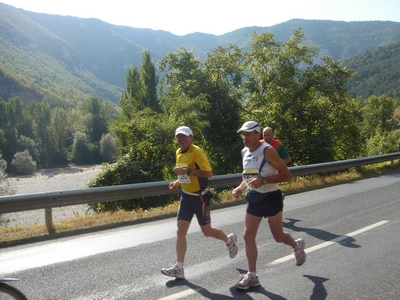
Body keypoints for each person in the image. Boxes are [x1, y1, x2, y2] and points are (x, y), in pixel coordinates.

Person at [232, 121, 306, 290]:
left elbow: (287, 175)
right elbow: (248, 176)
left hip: (271, 197)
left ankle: (297, 246)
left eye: (249, 134)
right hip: (254, 197)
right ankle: (252, 276)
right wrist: (240, 187)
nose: (245, 137)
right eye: (243, 134)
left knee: (278, 236)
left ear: (258, 134)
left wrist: (264, 180)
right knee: (248, 235)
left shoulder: (268, 151)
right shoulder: (244, 152)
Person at [161, 126, 238, 279]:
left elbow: (208, 172)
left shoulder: (197, 152)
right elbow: (184, 174)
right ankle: (179, 268)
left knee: (207, 231)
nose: (181, 139)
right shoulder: (178, 152)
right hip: (186, 197)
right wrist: (177, 182)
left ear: (191, 138)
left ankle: (229, 240)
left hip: (200, 197)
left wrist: (188, 172)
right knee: (180, 231)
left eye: (184, 137)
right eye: (178, 137)